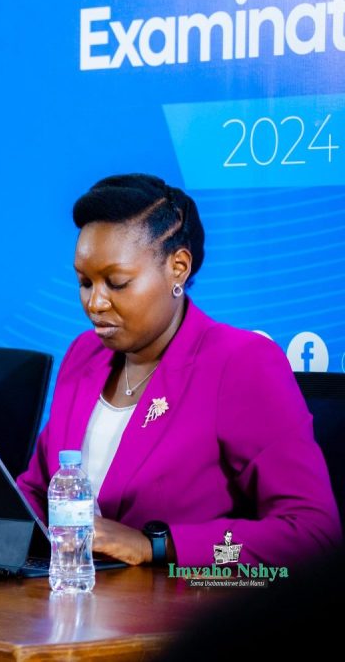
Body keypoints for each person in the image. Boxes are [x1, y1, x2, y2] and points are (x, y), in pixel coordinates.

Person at [17, 174, 341, 568]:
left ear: (178, 268)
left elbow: (312, 533)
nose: (95, 303)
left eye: (116, 283)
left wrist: (159, 546)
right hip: (74, 596)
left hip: (189, 601)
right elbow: (39, 490)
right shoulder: (84, 355)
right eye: (85, 282)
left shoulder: (240, 363)